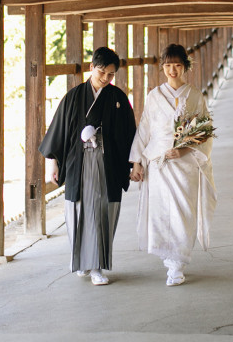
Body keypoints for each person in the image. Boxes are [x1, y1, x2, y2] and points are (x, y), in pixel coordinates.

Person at [39, 47, 137, 286]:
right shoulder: (73, 97)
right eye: (101, 72)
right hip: (78, 163)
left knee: (102, 212)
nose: (105, 78)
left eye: (111, 75)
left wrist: (135, 163)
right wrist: (52, 164)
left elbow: (130, 134)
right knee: (79, 211)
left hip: (107, 164)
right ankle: (84, 262)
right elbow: (58, 132)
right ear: (91, 67)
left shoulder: (118, 98)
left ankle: (96, 267)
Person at [129, 44, 217, 286]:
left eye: (177, 65)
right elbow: (145, 128)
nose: (172, 70)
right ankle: (170, 261)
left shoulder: (195, 95)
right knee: (161, 212)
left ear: (185, 67)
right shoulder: (154, 95)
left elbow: (205, 131)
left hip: (185, 163)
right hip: (158, 162)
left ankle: (178, 263)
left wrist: (185, 148)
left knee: (183, 212)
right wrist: (137, 161)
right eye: (167, 65)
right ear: (162, 67)